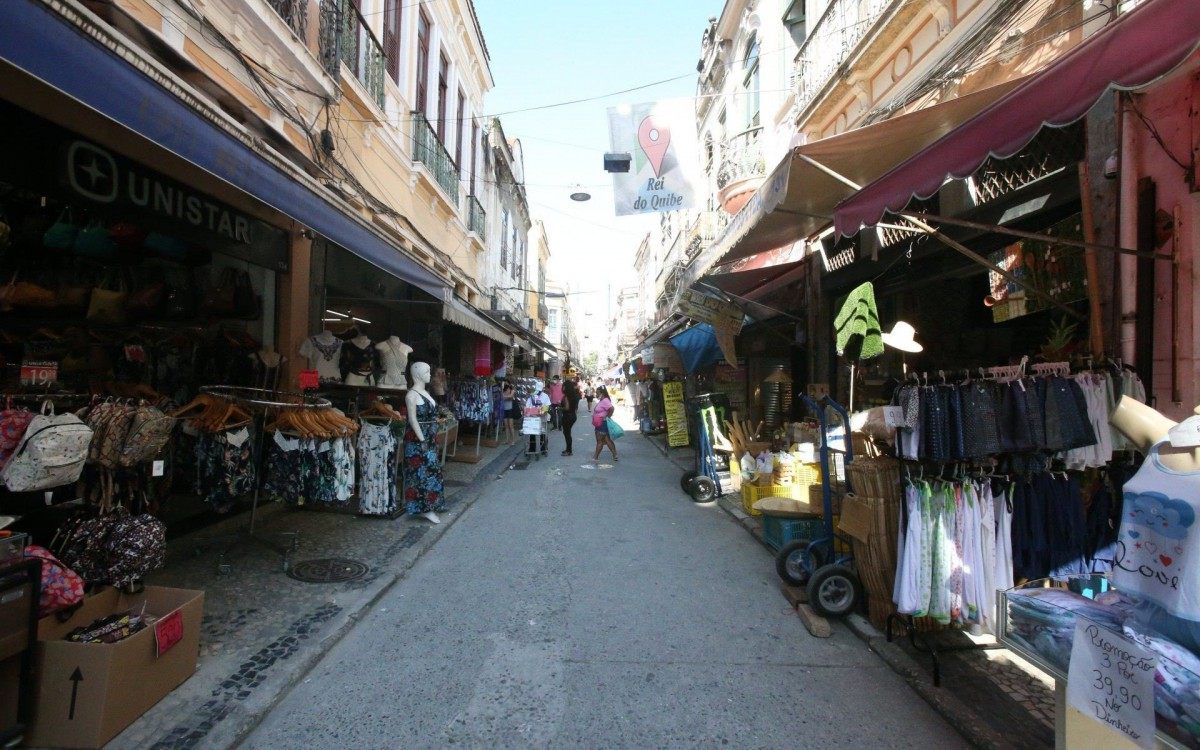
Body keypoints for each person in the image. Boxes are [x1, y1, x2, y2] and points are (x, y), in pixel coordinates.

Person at [525, 380, 551, 456]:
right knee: (531, 433)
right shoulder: (531, 396)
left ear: (542, 389)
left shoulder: (545, 396)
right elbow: (527, 407)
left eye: (540, 391)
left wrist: (540, 411)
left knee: (542, 433)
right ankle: (531, 448)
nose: (538, 392)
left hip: (542, 418)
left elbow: (547, 408)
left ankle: (543, 448)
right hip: (532, 419)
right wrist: (533, 411)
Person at [592, 385, 618, 463]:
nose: (596, 394)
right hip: (601, 423)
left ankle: (595, 457)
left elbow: (612, 408)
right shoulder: (602, 400)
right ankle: (615, 455)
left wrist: (607, 417)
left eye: (597, 393)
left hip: (602, 424)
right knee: (607, 439)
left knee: (599, 441)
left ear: (602, 393)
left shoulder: (605, 401)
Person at [560, 376, 581, 456]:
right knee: (567, 433)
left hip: (567, 416)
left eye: (563, 386)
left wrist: (559, 408)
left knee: (567, 434)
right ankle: (568, 449)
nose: (562, 387)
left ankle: (569, 451)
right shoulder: (574, 395)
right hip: (573, 416)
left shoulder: (566, 396)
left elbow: (567, 408)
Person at [500, 379, 517, 445]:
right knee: (506, 426)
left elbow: (511, 396)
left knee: (511, 425)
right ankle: (507, 440)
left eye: (506, 383)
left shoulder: (512, 390)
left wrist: (505, 396)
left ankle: (513, 440)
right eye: (504, 383)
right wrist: (505, 395)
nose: (506, 385)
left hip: (510, 409)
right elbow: (502, 397)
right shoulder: (503, 390)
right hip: (504, 409)